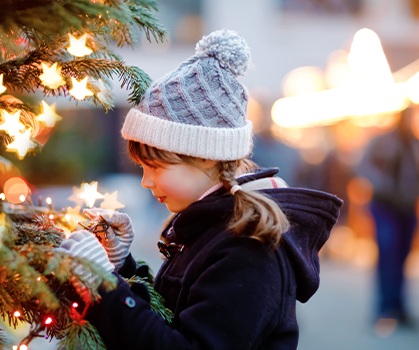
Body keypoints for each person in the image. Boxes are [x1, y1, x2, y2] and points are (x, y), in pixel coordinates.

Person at [57, 29, 342, 349]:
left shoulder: (248, 250)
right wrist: (123, 267)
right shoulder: (209, 226)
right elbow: (177, 314)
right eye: (142, 168)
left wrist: (102, 285)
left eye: (156, 166)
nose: (146, 181)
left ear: (206, 156)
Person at [358, 107, 419, 326]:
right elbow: (363, 167)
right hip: (385, 206)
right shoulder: (382, 142)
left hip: (407, 207)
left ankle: (399, 306)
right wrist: (382, 185)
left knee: (402, 257)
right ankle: (384, 308)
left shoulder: (414, 143)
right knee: (388, 254)